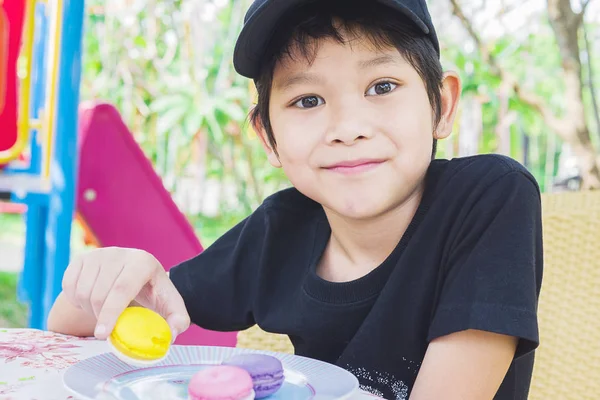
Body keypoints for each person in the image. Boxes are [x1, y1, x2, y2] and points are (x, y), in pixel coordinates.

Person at [47, 0, 543, 398]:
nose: (348, 129)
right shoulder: (278, 230)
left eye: (382, 86)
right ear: (267, 137)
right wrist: (100, 280)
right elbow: (68, 336)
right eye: (307, 100)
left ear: (442, 104)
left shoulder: (490, 197)